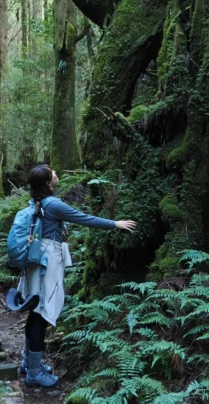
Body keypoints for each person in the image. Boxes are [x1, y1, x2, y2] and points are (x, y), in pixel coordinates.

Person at [18, 164, 136, 388]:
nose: (56, 173)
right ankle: (34, 373)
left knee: (35, 311)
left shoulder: (38, 202)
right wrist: (114, 224)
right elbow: (83, 218)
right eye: (52, 172)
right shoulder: (53, 204)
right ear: (47, 182)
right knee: (41, 315)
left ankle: (29, 363)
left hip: (35, 260)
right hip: (46, 264)